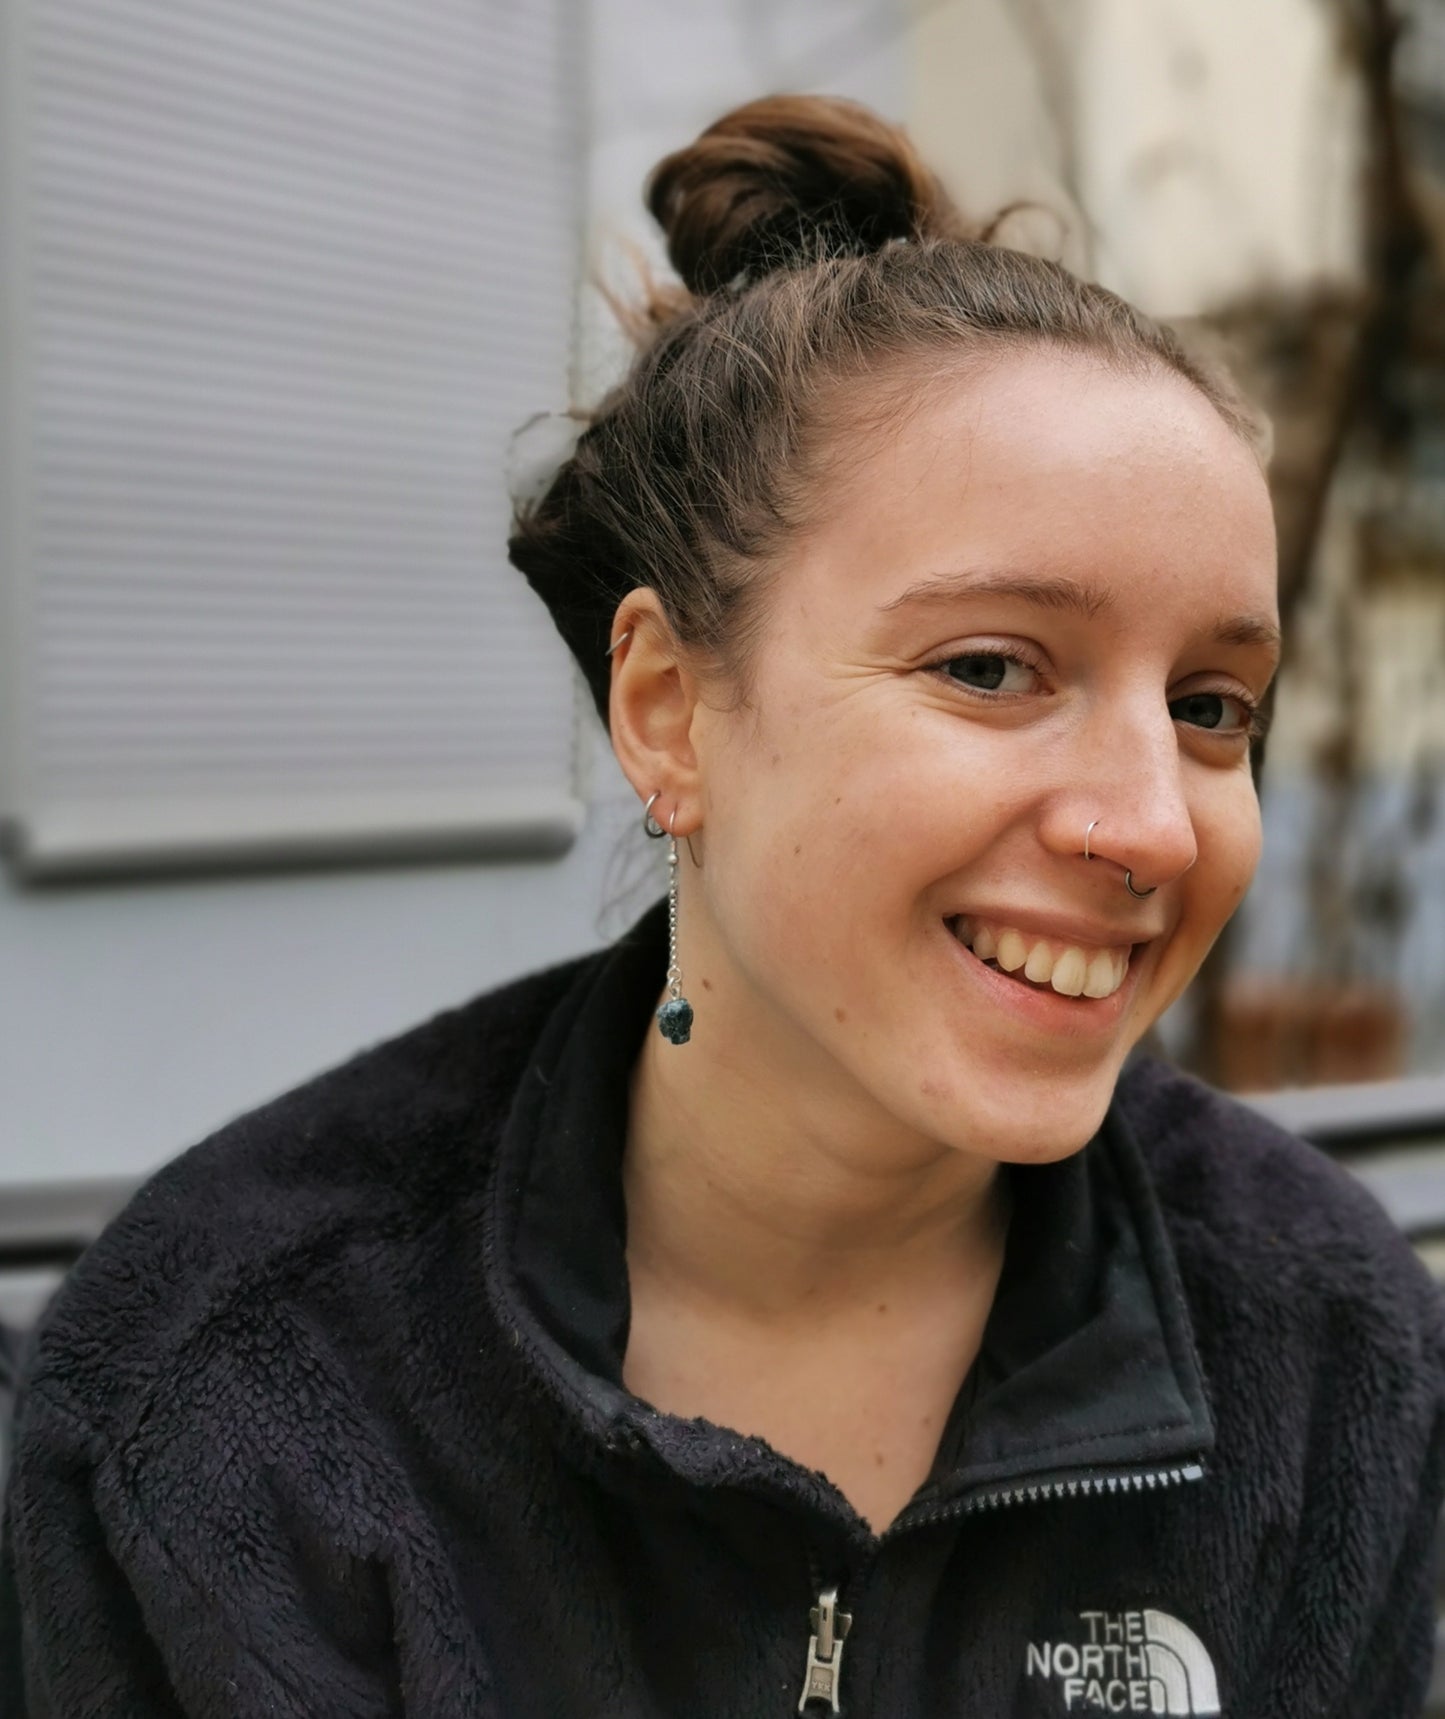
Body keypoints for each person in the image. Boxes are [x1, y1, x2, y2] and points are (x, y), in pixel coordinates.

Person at [2, 94, 1443, 1719]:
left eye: (1210, 706)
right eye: (988, 667)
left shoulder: (1325, 1353)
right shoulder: (232, 1382)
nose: (1147, 827)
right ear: (671, 711)